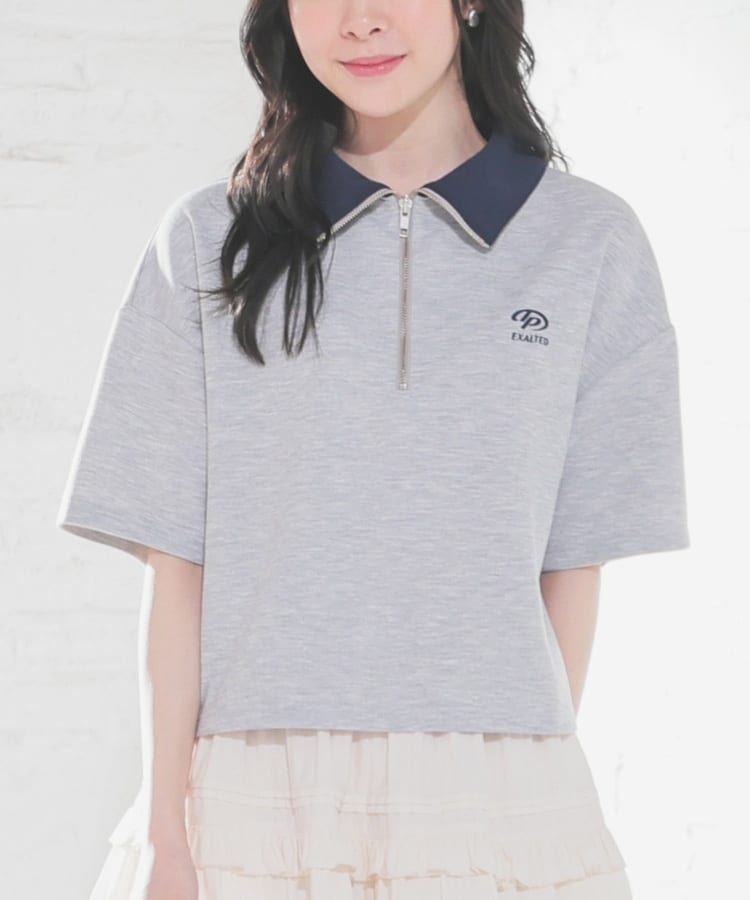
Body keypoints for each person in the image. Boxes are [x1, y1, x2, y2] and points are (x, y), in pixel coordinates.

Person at [57, 1, 691, 898]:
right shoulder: (207, 239)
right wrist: (167, 831)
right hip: (251, 797)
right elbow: (176, 565)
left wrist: (519, 796)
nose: (359, 20)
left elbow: (574, 561)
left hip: (496, 789)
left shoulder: (590, 241)